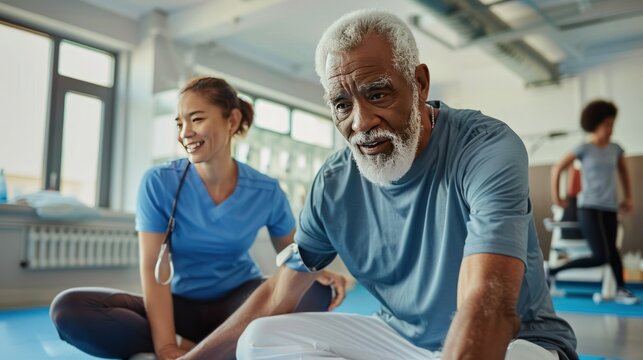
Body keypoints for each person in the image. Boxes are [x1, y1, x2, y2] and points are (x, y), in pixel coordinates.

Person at [174, 9, 578, 360]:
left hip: (512, 341)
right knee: (260, 340)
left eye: (378, 93)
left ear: (419, 84)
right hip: (398, 339)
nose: (361, 123)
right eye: (342, 105)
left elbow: (487, 302)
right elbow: (280, 293)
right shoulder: (333, 183)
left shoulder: (485, 148)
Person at [49, 76, 348, 359]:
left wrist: (317, 272)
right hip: (179, 308)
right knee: (70, 309)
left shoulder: (266, 190)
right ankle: (218, 347)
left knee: (317, 292)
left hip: (240, 304)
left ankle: (210, 346)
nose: (185, 133)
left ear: (231, 120)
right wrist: (165, 345)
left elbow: (292, 252)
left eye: (197, 118)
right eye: (180, 123)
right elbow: (153, 271)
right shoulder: (159, 181)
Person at [549, 99, 638, 305]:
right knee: (601, 256)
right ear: (595, 124)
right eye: (606, 124)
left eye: (612, 124)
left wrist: (629, 197)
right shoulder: (584, 148)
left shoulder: (616, 149)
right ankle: (553, 270)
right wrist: (557, 197)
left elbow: (624, 172)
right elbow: (557, 169)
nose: (610, 128)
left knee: (613, 252)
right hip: (588, 207)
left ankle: (620, 290)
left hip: (609, 206)